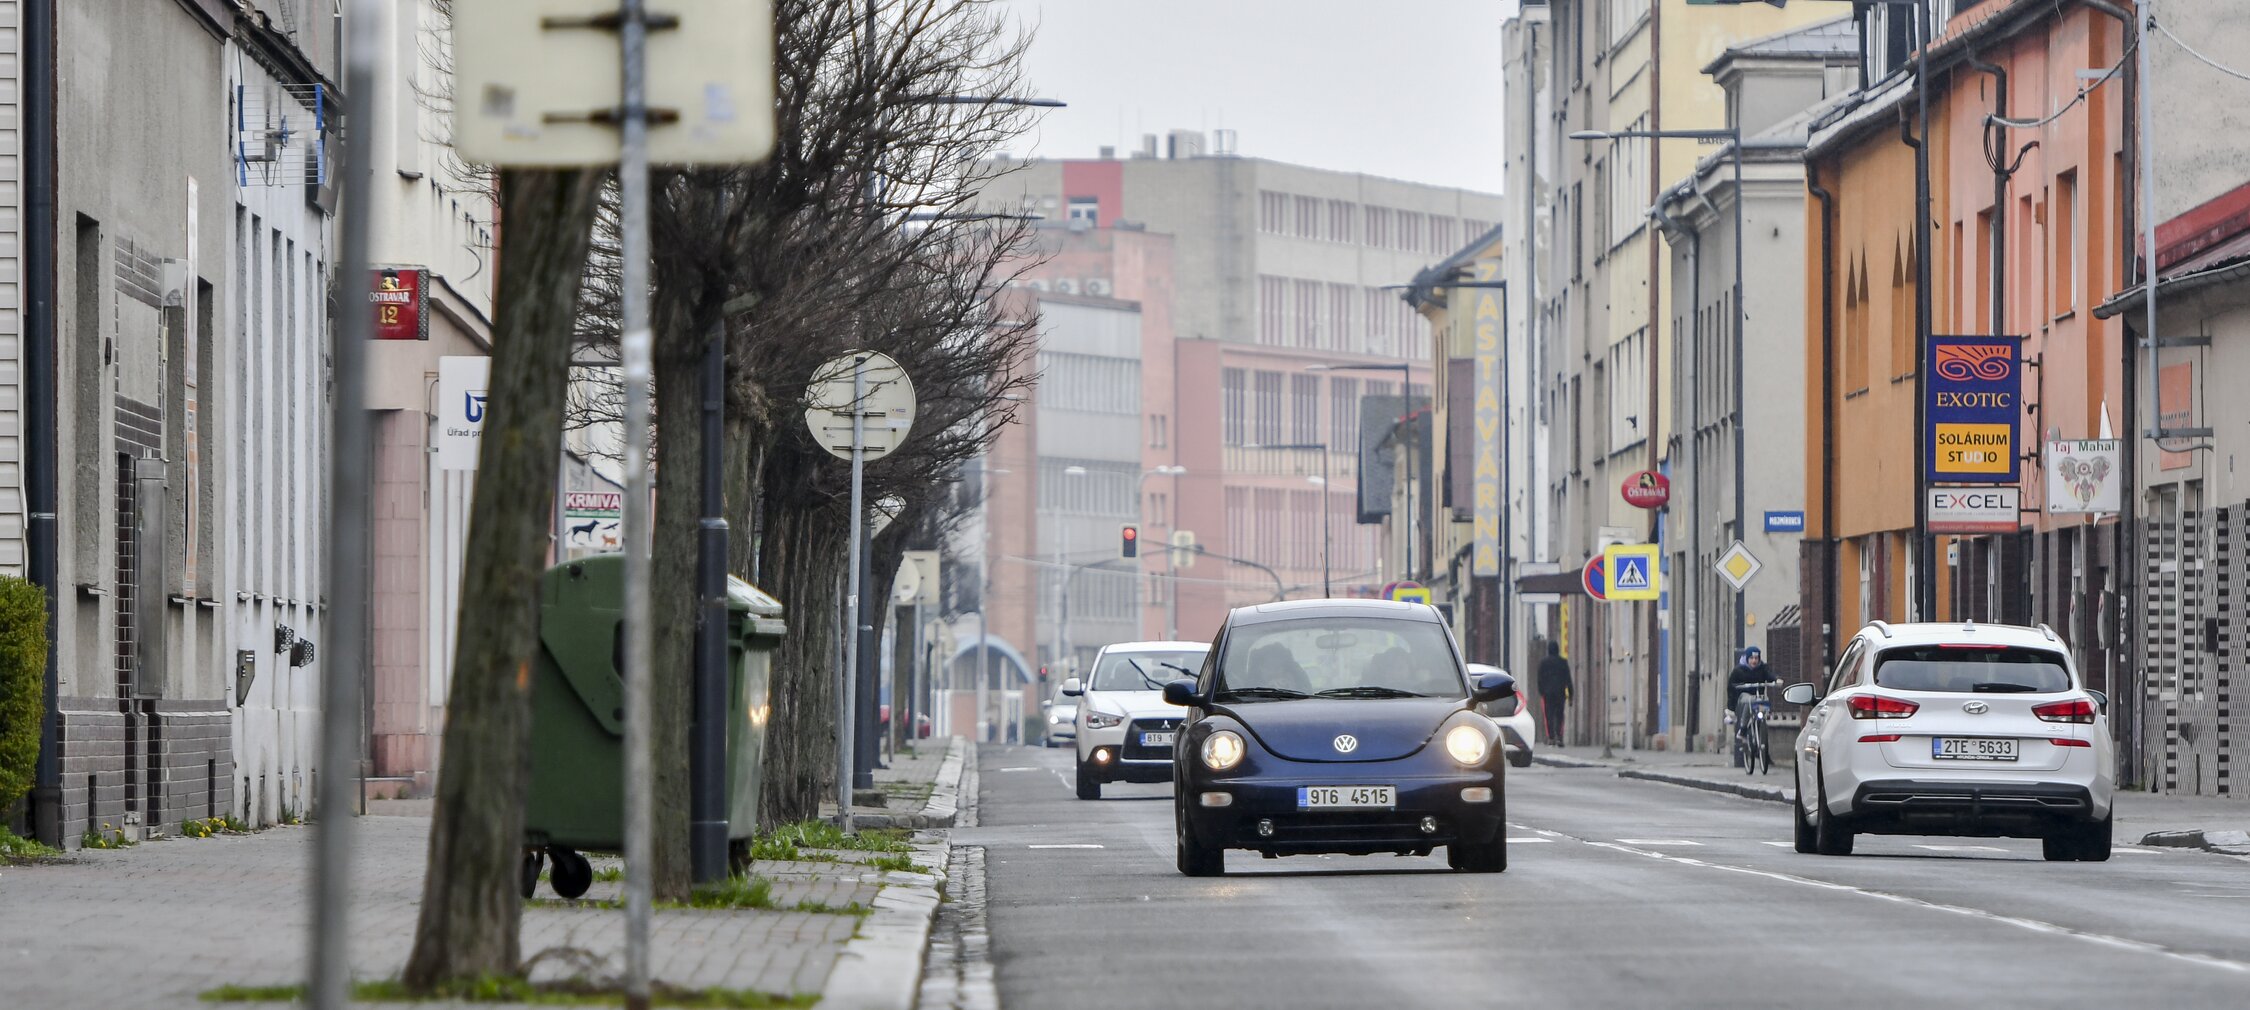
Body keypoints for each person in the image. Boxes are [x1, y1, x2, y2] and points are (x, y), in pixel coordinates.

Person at [1535, 641, 1571, 747]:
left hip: (1548, 693)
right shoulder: (1563, 662)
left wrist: (1541, 691)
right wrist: (1571, 694)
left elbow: (1539, 679)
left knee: (1549, 715)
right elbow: (1568, 679)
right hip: (1560, 693)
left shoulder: (1543, 663)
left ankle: (1551, 737)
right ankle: (1559, 737)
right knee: (1559, 715)